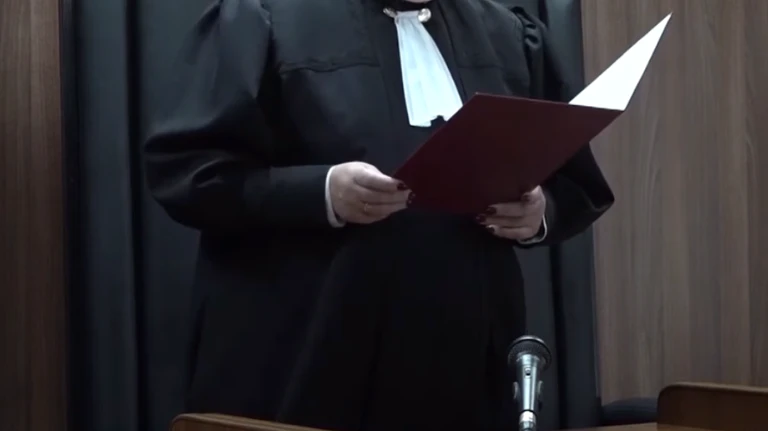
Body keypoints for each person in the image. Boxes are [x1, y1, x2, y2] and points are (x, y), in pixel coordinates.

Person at [143, 0, 614, 430]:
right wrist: (322, 192)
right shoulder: (264, 17)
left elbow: (570, 181)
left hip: (465, 366)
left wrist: (538, 212)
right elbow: (188, 171)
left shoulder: (504, 31)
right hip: (308, 358)